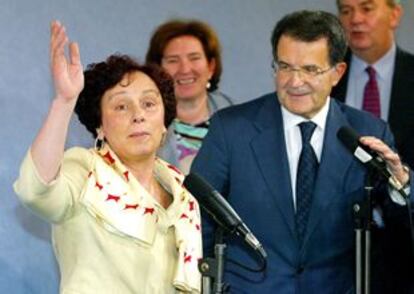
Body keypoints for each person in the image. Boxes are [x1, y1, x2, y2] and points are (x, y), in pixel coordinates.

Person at [191, 10, 413, 293]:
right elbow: (198, 223)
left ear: (337, 73)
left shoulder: (367, 132)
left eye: (310, 70)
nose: (294, 82)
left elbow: (400, 229)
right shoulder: (231, 129)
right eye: (285, 67)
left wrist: (402, 183)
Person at [14, 21, 202, 294]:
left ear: (164, 121)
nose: (138, 114)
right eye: (121, 106)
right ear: (100, 125)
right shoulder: (85, 169)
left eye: (149, 104)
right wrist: (64, 102)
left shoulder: (184, 193)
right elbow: (36, 191)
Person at [332, 1, 414, 292]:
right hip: (336, 248)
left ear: (395, 14)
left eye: (367, 8)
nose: (355, 19)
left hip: (405, 250)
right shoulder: (324, 80)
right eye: (345, 10)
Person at [145, 19, 233, 175]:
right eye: (173, 60)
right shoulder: (143, 123)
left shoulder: (238, 120)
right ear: (157, 69)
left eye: (194, 58)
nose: (185, 69)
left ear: (211, 66)